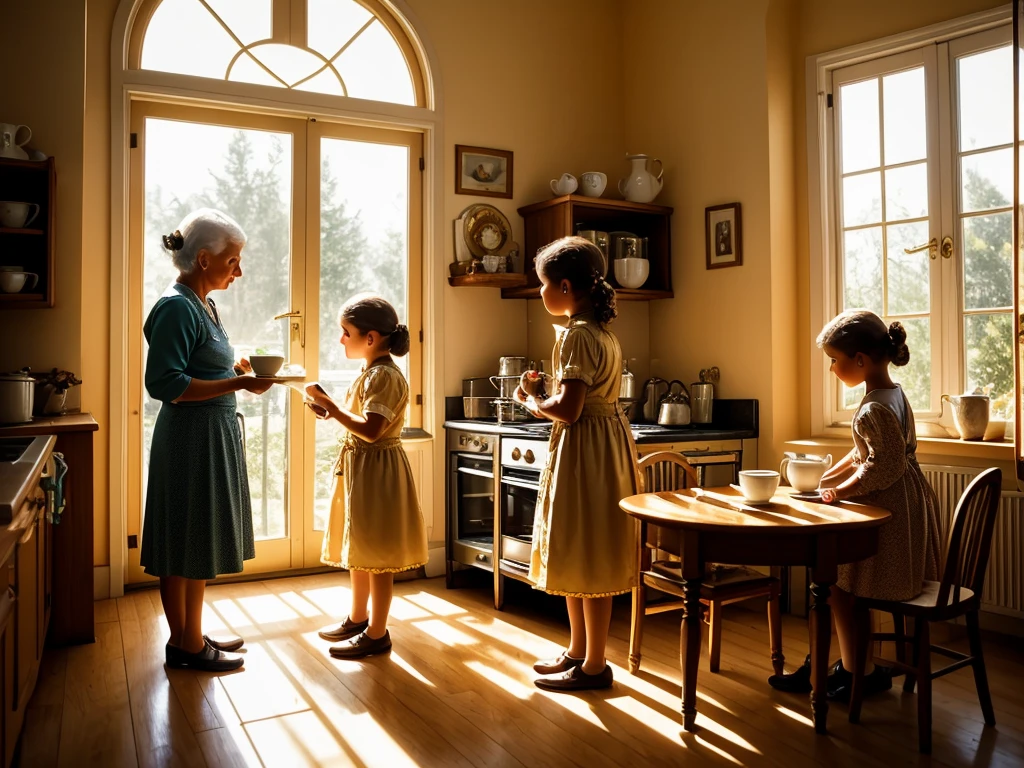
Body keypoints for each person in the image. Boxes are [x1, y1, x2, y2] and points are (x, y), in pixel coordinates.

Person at [769, 309, 942, 700]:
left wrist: (838, 493)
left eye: (835, 360)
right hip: (905, 505)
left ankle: (853, 671)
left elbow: (882, 467)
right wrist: (826, 479)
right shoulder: (890, 393)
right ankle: (842, 665)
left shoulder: (872, 408)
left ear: (860, 360)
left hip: (889, 515)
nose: (831, 369)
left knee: (837, 585)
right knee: (837, 581)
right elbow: (863, 453)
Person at [142, 208, 275, 672]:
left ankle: (187, 637)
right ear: (203, 259)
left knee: (190, 540)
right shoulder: (177, 306)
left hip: (206, 436)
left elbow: (199, 363)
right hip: (189, 440)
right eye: (233, 260)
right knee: (187, 541)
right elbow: (166, 384)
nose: (239, 270)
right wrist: (239, 385)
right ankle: (187, 646)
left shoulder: (202, 304)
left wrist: (233, 370)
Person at [513, 236, 641, 692]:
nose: (539, 292)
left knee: (586, 549)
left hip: (586, 447)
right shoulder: (601, 333)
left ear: (565, 286)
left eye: (542, 284)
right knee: (580, 546)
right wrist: (543, 398)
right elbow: (577, 401)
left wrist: (532, 399)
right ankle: (578, 650)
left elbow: (568, 410)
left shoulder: (577, 335)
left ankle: (594, 666)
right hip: (602, 444)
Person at [305, 294, 428, 660]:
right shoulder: (371, 372)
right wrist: (333, 413)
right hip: (363, 468)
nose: (341, 339)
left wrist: (331, 407)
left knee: (377, 553)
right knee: (359, 547)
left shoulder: (386, 376)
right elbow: (361, 420)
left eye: (346, 333)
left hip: (378, 470)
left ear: (370, 338)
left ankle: (377, 631)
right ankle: (358, 618)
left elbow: (372, 430)